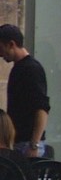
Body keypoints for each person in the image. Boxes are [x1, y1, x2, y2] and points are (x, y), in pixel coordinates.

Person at [0, 24, 50, 158]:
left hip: (27, 142)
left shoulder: (31, 69)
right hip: (20, 141)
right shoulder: (19, 68)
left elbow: (42, 108)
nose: (1, 55)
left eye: (1, 49)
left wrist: (34, 144)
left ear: (11, 44)